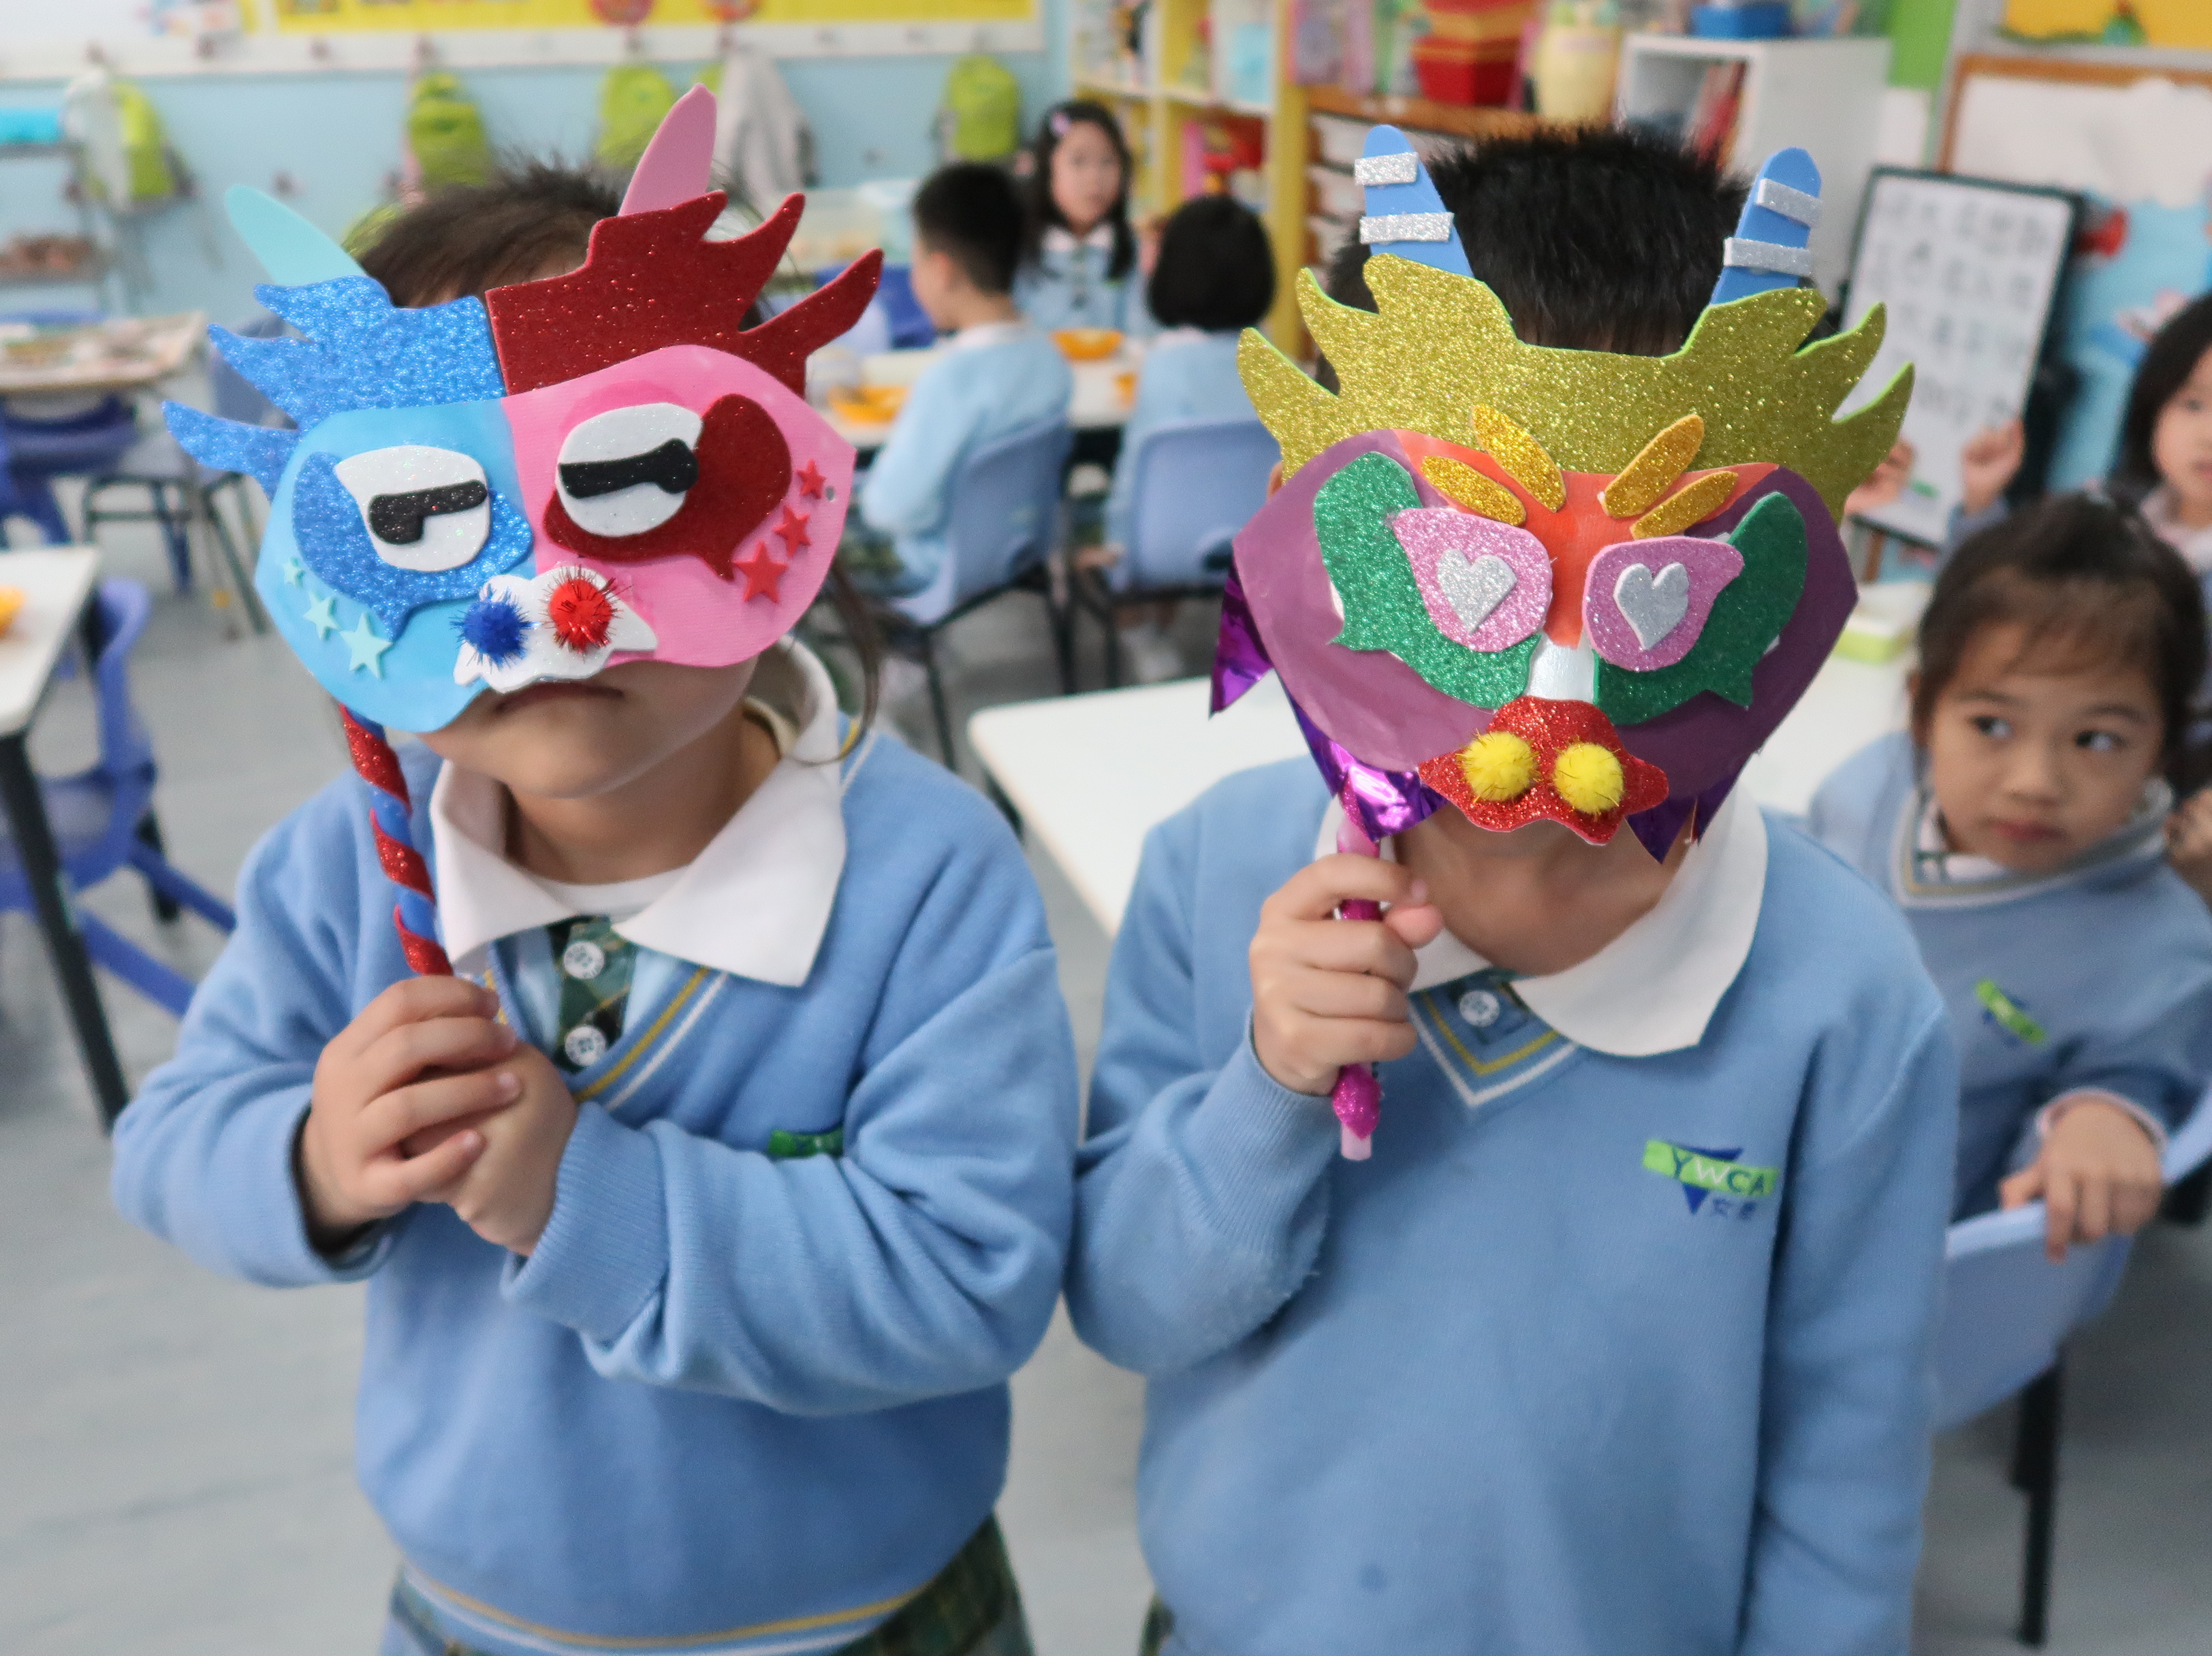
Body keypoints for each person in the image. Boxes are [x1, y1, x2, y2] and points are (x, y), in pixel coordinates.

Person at [114, 142, 1077, 1656]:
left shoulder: (923, 873)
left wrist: (584, 1196)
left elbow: (973, 1279)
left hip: (875, 1614)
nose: (547, 609)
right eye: (432, 516)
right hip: (481, 1616)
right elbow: (169, 1141)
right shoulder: (344, 868)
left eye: (634, 484)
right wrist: (310, 1160)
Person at [1069, 127, 1957, 1656]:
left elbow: (1847, 1465)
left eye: (1648, 596)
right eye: (1476, 579)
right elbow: (1126, 1304)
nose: (1554, 704)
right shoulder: (1216, 869)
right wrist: (1268, 1086)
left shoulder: (1843, 999)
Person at [1810, 494, 2212, 1256]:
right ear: (1921, 712)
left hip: (1897, 1242)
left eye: (2096, 739)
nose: (2035, 782)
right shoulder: (1867, 786)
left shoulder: (2164, 941)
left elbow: (2140, 1073)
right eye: (1991, 725)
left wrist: (2102, 1115)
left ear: (2161, 748)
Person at [850, 161, 1072, 604]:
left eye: (914, 259)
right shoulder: (1049, 359)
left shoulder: (949, 382)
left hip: (931, 567)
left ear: (942, 270)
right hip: (1013, 550)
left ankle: (893, 648)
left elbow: (889, 510)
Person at [1094, 193, 1274, 684]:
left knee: (1134, 511)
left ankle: (1144, 636)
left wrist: (1115, 544)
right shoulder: (1276, 365)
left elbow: (1133, 480)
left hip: (1159, 555)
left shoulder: (1163, 369)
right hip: (1261, 546)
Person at [1013, 100, 1150, 338]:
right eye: (1079, 161)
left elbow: (1144, 337)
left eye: (1108, 162)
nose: (1095, 177)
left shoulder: (1133, 249)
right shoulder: (1020, 249)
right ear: (1047, 169)